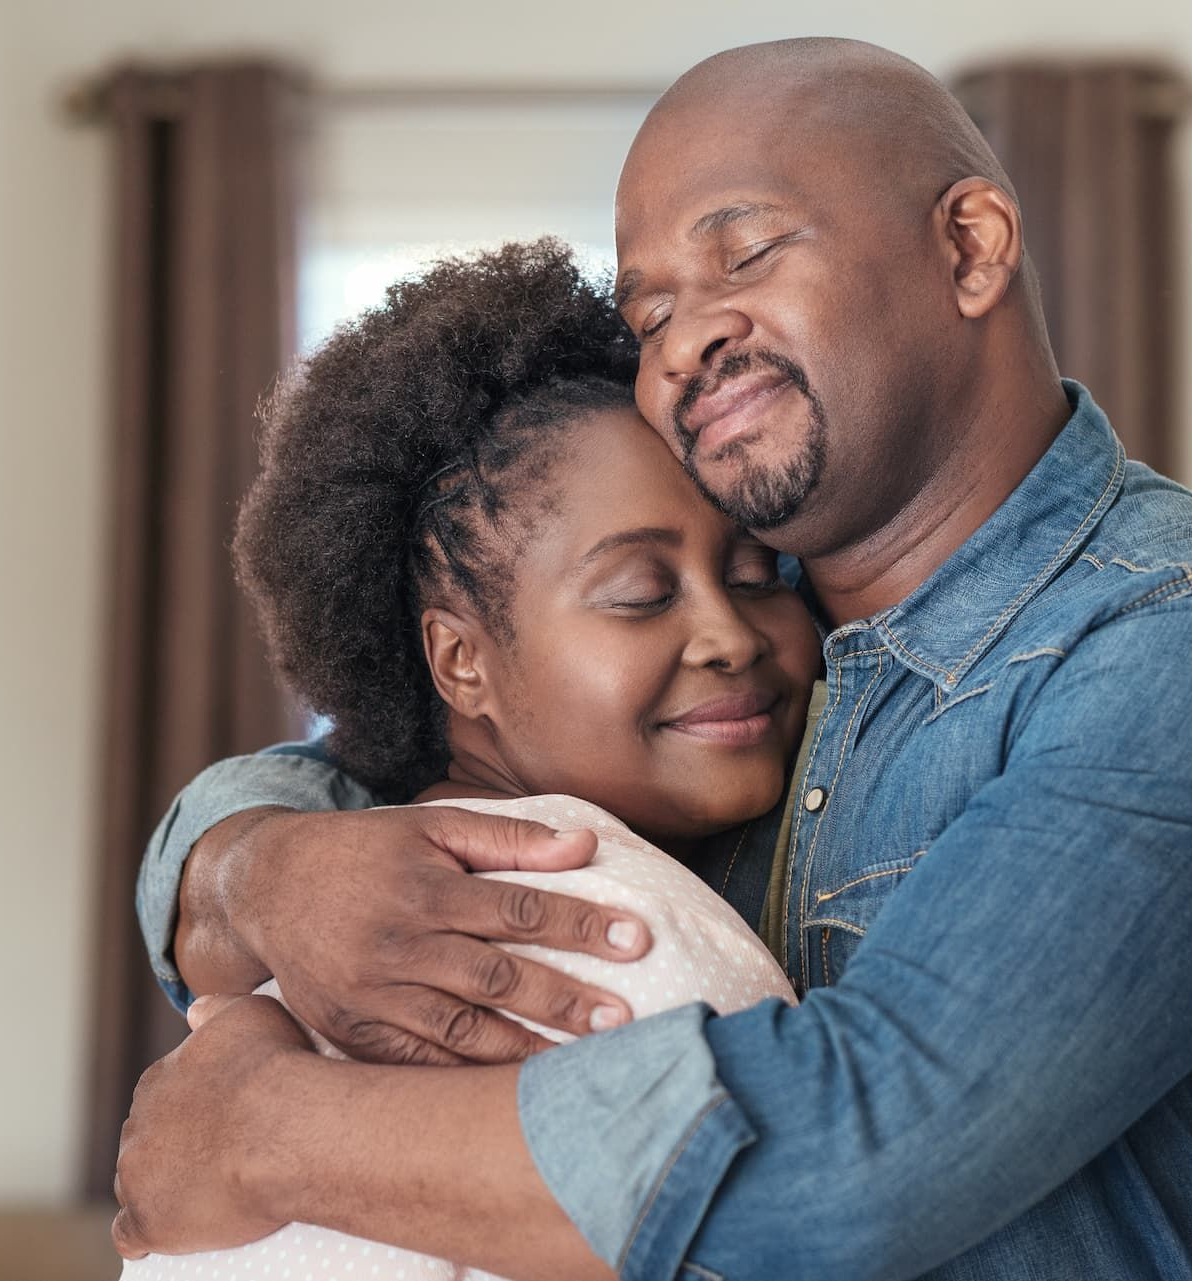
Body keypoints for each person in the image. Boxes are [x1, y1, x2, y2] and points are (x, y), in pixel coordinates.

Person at [115, 37, 1192, 1281]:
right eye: (652, 312)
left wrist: (261, 1132)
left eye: (740, 252)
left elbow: (854, 1162)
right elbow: (356, 779)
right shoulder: (749, 643)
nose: (683, 339)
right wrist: (260, 869)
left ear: (968, 246)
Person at [120, 240, 814, 1281]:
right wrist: (248, 867)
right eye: (638, 593)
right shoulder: (553, 931)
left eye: (760, 574)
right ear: (459, 660)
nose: (728, 633)